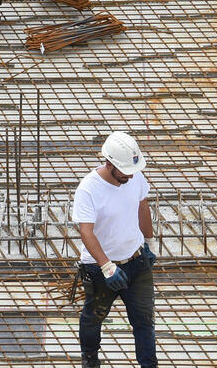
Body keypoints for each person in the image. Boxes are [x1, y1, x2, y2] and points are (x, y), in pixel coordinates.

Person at [72, 131, 157, 368]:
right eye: (124, 171)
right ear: (109, 164)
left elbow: (142, 206)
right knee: (93, 317)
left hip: (136, 262)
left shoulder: (134, 175)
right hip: (101, 268)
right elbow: (86, 232)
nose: (130, 175)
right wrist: (107, 266)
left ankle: (149, 364)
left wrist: (148, 243)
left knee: (144, 321)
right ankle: (90, 357)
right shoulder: (88, 189)